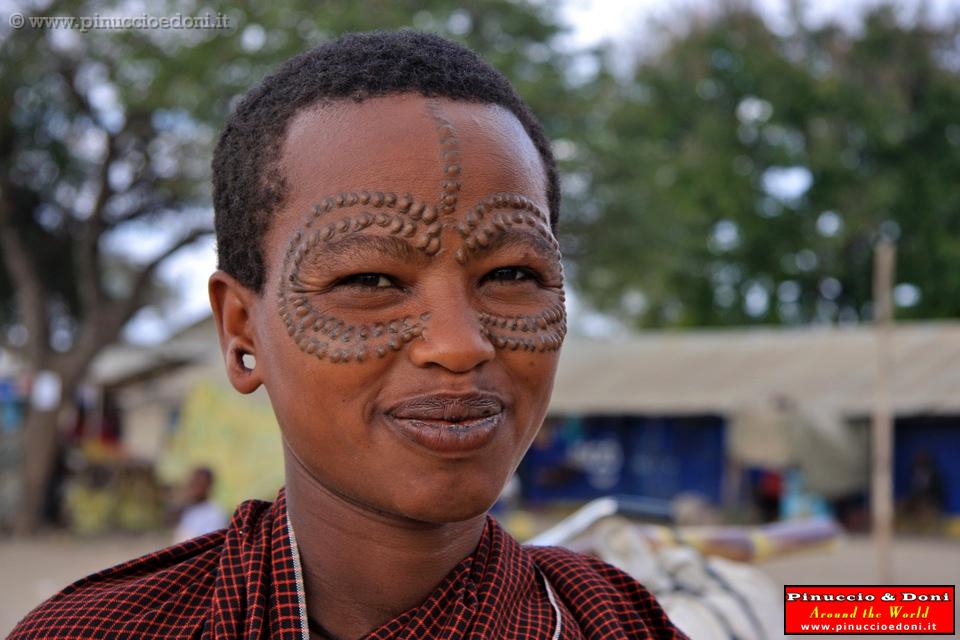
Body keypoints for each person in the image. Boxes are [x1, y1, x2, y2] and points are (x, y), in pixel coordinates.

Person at [11, 31, 687, 639]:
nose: (459, 344)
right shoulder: (96, 630)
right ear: (241, 330)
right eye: (370, 281)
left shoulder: (611, 624)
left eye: (511, 272)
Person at [171, 466, 227, 543]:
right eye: (192, 483)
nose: (194, 487)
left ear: (208, 486)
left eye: (198, 483)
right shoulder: (189, 510)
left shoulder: (215, 513)